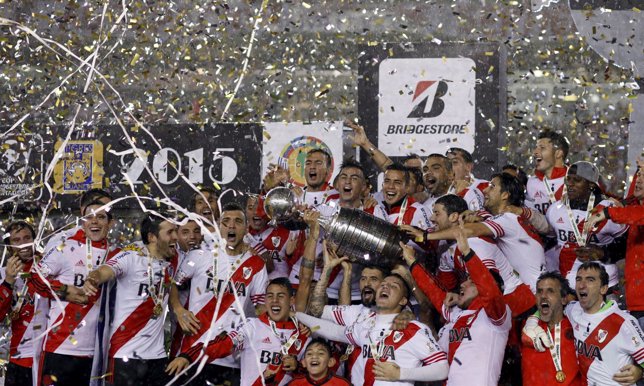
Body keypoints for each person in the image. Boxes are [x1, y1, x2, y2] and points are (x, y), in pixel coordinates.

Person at [170, 202, 269, 385]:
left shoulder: (256, 265)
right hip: (192, 352)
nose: (231, 226)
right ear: (218, 226)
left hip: (229, 356)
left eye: (238, 221)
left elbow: (261, 309)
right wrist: (178, 309)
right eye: (226, 221)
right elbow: (173, 284)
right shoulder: (199, 255)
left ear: (246, 228)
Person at [405, 219, 511, 386]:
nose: (462, 284)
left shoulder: (497, 316)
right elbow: (434, 292)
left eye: (471, 281)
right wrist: (411, 262)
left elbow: (489, 290)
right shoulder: (456, 314)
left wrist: (467, 253)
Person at [297, 274, 449, 386]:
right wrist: (298, 316)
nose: (385, 286)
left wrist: (400, 373)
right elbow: (334, 331)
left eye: (393, 286)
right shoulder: (366, 323)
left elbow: (442, 368)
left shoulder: (414, 329)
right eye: (383, 284)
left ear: (403, 300)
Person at [82, 213, 179, 386]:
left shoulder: (171, 261)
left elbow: (170, 285)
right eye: (170, 232)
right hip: (125, 355)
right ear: (152, 237)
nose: (176, 237)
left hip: (158, 357)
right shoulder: (131, 256)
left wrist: (178, 307)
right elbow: (106, 270)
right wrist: (93, 278)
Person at [29, 200, 117, 385]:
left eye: (101, 217)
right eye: (89, 217)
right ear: (82, 222)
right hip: (59, 348)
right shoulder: (65, 247)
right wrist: (63, 291)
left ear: (111, 223)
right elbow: (34, 278)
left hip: (95, 352)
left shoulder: (116, 255)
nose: (94, 222)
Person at [404, 194, 534, 318]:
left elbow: (490, 286)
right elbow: (446, 289)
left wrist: (422, 239)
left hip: (516, 304)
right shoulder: (445, 250)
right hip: (488, 309)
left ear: (454, 216)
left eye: (437, 213)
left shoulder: (475, 242)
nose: (431, 218)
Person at [166, 278, 311, 386]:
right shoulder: (252, 326)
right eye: (270, 296)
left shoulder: (303, 334)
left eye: (280, 296)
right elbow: (221, 345)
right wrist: (188, 356)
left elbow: (316, 373)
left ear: (292, 300)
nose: (274, 301)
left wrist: (297, 367)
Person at [524, 262, 644, 385]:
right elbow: (551, 306)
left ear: (603, 288)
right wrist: (532, 321)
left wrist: (640, 371)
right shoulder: (573, 310)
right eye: (578, 279)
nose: (582, 285)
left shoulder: (623, 323)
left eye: (590, 280)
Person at [425, 173, 546, 291]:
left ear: (504, 195)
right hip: (528, 292)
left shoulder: (508, 218)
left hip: (532, 295)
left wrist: (426, 236)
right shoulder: (506, 220)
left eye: (492, 186)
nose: (485, 190)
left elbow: (469, 231)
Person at [544, 161, 627, 285]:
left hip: (602, 284)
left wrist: (603, 252)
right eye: (568, 179)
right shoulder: (555, 209)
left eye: (576, 180)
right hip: (565, 282)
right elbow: (548, 243)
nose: (570, 184)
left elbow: (626, 245)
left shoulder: (609, 210)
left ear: (591, 185)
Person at [585, 161, 644, 329]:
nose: (638, 180)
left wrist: (607, 213)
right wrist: (602, 253)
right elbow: (631, 204)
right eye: (638, 175)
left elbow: (637, 213)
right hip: (636, 303)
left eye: (643, 177)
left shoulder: (636, 215)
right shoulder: (633, 214)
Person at [520, 272, 581, 386]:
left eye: (550, 291)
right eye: (539, 291)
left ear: (563, 299)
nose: (543, 295)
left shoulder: (577, 327)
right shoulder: (526, 328)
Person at [0, 221, 40, 385]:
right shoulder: (2, 273)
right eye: (17, 240)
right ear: (9, 246)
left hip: (49, 352)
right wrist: (8, 281)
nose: (24, 243)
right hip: (20, 355)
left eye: (27, 238)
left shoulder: (49, 267)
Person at [526, 130, 570, 215]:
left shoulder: (577, 181)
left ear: (558, 153)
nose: (535, 152)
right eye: (536, 147)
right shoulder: (531, 182)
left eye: (542, 148)